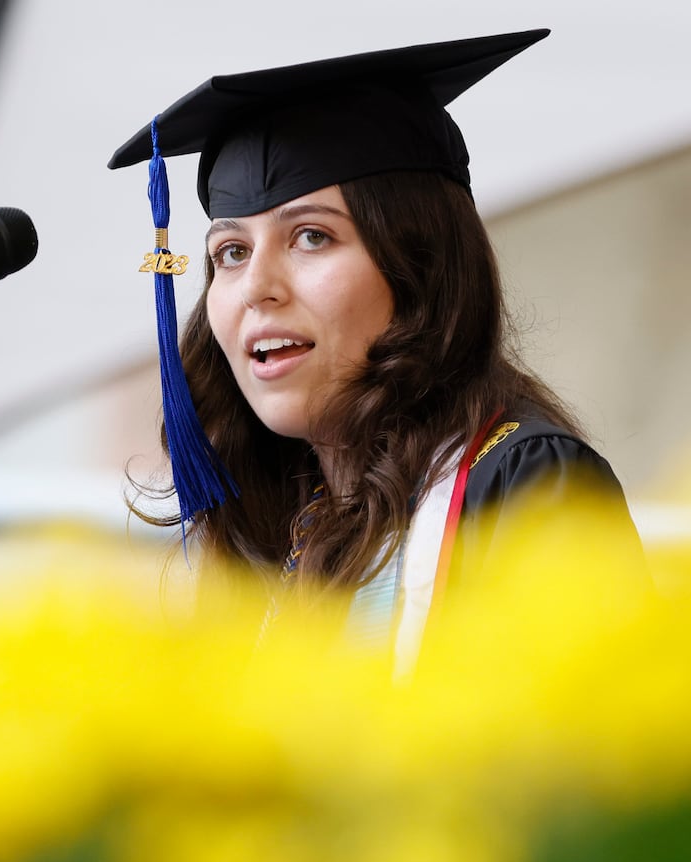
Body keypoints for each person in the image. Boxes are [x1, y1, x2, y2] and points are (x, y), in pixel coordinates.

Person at [109, 30, 644, 665]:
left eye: (311, 237)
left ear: (418, 266)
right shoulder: (272, 528)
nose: (255, 287)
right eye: (230, 252)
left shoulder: (526, 488)